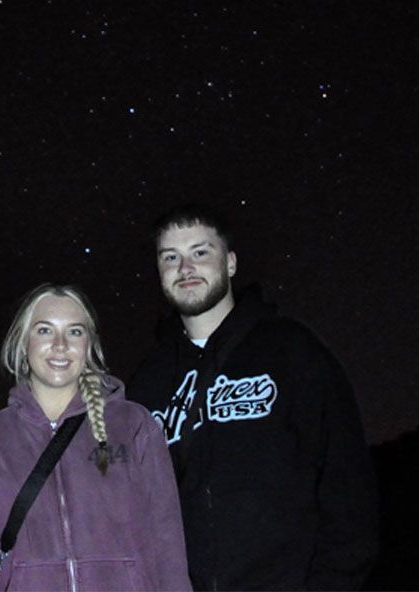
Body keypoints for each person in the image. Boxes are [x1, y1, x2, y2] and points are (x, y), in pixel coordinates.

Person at [127, 205, 379, 591]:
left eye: (200, 252)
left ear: (230, 263)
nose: (185, 268)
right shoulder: (148, 382)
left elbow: (348, 485)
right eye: (170, 257)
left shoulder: (291, 350)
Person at [0, 284, 191, 592]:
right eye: (45, 330)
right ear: (22, 342)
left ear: (89, 344)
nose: (60, 345)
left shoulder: (133, 425)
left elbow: (167, 541)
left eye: (74, 332)